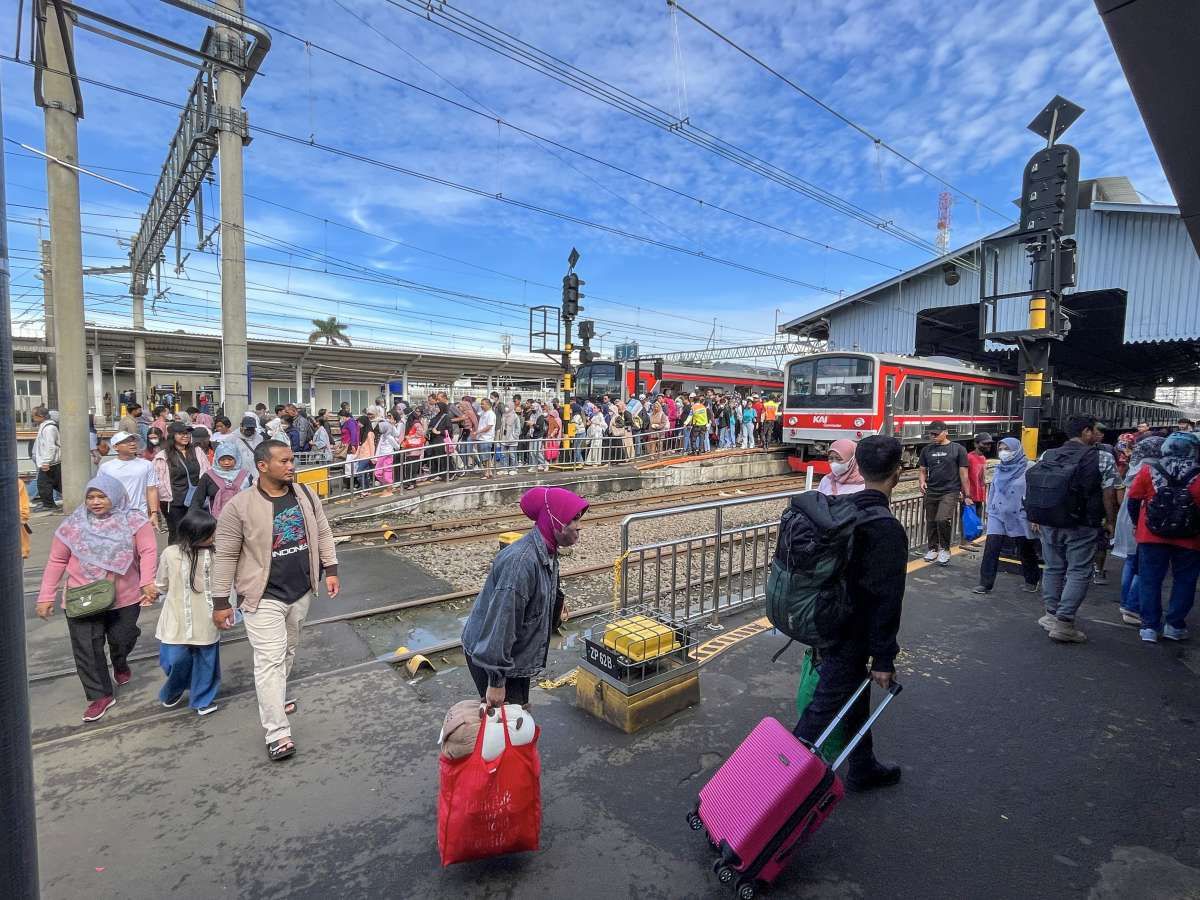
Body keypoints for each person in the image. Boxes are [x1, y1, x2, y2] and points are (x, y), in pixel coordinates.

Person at [211, 441, 340, 761]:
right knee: (269, 660)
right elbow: (225, 556)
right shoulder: (239, 507)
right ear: (263, 466)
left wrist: (330, 568)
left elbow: (322, 532)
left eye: (292, 460)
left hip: (300, 591)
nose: (291, 465)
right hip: (262, 596)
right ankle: (278, 732)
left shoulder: (306, 496)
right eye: (284, 461)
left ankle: (276, 698)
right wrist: (220, 601)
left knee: (288, 651)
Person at [794, 435, 907, 792]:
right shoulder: (886, 527)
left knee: (852, 696)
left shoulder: (845, 509)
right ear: (897, 473)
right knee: (820, 712)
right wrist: (884, 659)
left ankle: (862, 765)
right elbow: (886, 600)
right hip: (851, 634)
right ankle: (770, 789)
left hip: (826, 622)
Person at [35, 473, 158, 723]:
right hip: (82, 596)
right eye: (90, 497)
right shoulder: (73, 524)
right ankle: (100, 695)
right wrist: (46, 595)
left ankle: (120, 660)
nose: (95, 502)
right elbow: (57, 560)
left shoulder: (134, 520)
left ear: (114, 496)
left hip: (123, 595)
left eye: (101, 496)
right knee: (86, 649)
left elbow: (148, 551)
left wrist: (147, 581)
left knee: (122, 637)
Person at [461, 487, 588, 708]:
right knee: (508, 726)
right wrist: (497, 682)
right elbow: (503, 624)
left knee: (514, 721)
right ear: (553, 520)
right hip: (493, 658)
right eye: (573, 519)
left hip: (512, 656)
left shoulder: (547, 549)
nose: (579, 526)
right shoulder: (521, 563)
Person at [1034, 416, 1116, 644]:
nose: (1097, 435)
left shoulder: (1048, 454)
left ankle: (1051, 615)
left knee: (1052, 568)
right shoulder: (1103, 458)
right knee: (1078, 571)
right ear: (1086, 431)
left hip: (1050, 520)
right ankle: (1064, 623)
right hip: (1082, 524)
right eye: (1095, 431)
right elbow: (1109, 493)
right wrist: (1110, 521)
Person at [1127, 432, 1200, 643]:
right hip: (1190, 538)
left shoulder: (1150, 469)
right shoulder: (1198, 473)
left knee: (1149, 580)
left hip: (1151, 534)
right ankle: (1174, 625)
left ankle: (1149, 626)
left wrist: (1135, 523)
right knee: (1185, 581)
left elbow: (1133, 500)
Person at [154, 509, 221, 716]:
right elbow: (162, 584)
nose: (213, 537)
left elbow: (226, 584)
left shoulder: (216, 554)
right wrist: (152, 591)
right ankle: (174, 688)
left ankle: (202, 699)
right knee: (173, 660)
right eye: (209, 533)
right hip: (176, 618)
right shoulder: (170, 554)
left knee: (206, 661)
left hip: (207, 618)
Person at [973, 438, 1041, 595]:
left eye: (1007, 449)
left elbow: (1035, 493)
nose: (1003, 452)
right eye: (1001, 449)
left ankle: (1032, 579)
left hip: (1019, 514)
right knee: (991, 547)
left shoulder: (1029, 468)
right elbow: (994, 490)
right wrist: (989, 510)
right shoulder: (1000, 468)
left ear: (1016, 450)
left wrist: (1034, 515)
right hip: (998, 513)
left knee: (1025, 548)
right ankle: (985, 583)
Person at [1112, 435, 1164, 625]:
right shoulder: (1153, 469)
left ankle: (1126, 602)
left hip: (1127, 517)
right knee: (1145, 565)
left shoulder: (1135, 466)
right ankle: (1132, 607)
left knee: (1131, 561)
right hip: (1142, 520)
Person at [918, 421, 971, 566]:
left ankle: (945, 549)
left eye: (936, 433)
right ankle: (932, 548)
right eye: (931, 434)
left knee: (942, 519)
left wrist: (967, 494)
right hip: (932, 490)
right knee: (930, 521)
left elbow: (964, 473)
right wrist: (922, 481)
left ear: (946, 432)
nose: (933, 436)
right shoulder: (926, 450)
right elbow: (922, 469)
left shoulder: (958, 449)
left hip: (950, 490)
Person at [154, 422, 211, 543]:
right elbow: (157, 480)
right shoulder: (163, 456)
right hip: (174, 502)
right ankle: (174, 560)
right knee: (177, 534)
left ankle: (193, 559)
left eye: (187, 433)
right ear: (172, 436)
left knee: (196, 533)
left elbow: (207, 471)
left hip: (196, 500)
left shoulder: (197, 451)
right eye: (181, 433)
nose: (186, 436)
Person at [100, 431, 161, 529]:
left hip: (140, 514)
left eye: (133, 441)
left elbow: (152, 489)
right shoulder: (106, 467)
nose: (132, 444)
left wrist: (154, 513)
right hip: (113, 516)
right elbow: (101, 492)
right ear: (116, 447)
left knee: (142, 544)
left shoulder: (146, 465)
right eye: (126, 441)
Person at [189, 442, 252, 518]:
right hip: (216, 520)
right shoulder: (208, 476)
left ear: (237, 458)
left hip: (242, 518)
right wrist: (192, 518)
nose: (226, 462)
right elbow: (198, 499)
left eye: (230, 459)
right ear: (216, 459)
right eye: (222, 459)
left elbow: (253, 498)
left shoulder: (246, 476)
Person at [31, 405, 62, 510]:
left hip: (51, 462)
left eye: (34, 416)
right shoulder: (45, 427)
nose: (33, 418)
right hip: (51, 462)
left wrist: (46, 462)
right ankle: (48, 503)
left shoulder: (49, 428)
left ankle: (48, 504)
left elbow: (50, 447)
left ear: (40, 416)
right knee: (57, 483)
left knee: (43, 483)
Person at [966, 433, 993, 521]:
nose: (988, 446)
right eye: (984, 443)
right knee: (970, 525)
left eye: (989, 444)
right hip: (970, 498)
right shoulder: (969, 458)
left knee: (978, 525)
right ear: (976, 444)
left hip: (979, 497)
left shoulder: (983, 458)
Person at [476, 397, 497, 479]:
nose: (481, 405)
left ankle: (487, 473)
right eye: (481, 404)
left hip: (486, 438)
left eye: (483, 404)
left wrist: (478, 432)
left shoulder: (491, 414)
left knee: (486, 456)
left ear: (488, 405)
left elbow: (489, 426)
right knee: (484, 456)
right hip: (481, 438)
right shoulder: (483, 413)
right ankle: (488, 472)